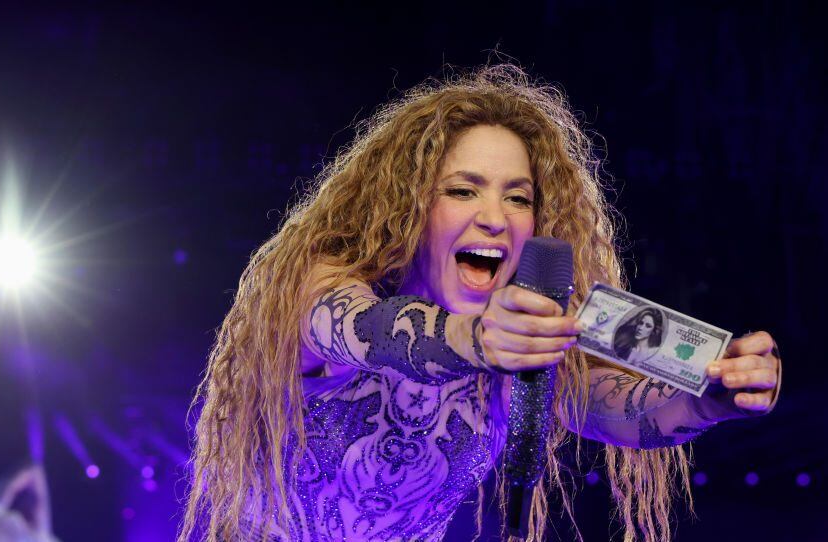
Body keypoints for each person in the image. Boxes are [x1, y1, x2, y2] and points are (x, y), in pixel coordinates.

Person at [177, 63, 783, 542]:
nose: (494, 219)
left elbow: (619, 410)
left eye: (518, 199)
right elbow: (356, 327)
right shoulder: (324, 280)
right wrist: (474, 338)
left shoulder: (531, 345)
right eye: (463, 190)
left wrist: (712, 398)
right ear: (409, 204)